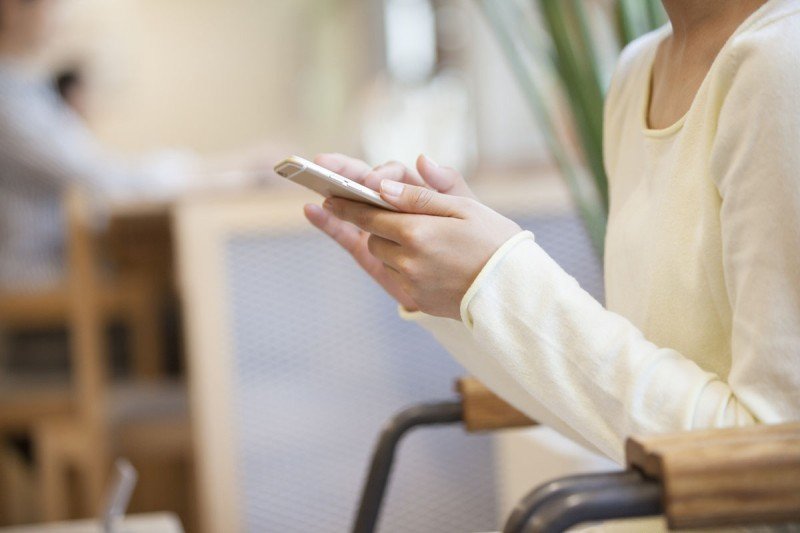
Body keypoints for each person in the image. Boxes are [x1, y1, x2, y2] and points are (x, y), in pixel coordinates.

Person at [305, 0, 800, 464]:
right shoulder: (638, 73)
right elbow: (620, 419)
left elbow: (768, 463)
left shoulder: (781, 60)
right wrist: (463, 299)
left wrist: (497, 279)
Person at [0, 0, 280, 291]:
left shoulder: (27, 91)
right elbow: (104, 177)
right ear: (11, 8)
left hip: (66, 256)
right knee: (178, 272)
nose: (62, 16)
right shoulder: (9, 100)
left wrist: (226, 169)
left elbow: (105, 173)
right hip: (38, 269)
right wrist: (230, 169)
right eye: (53, 5)